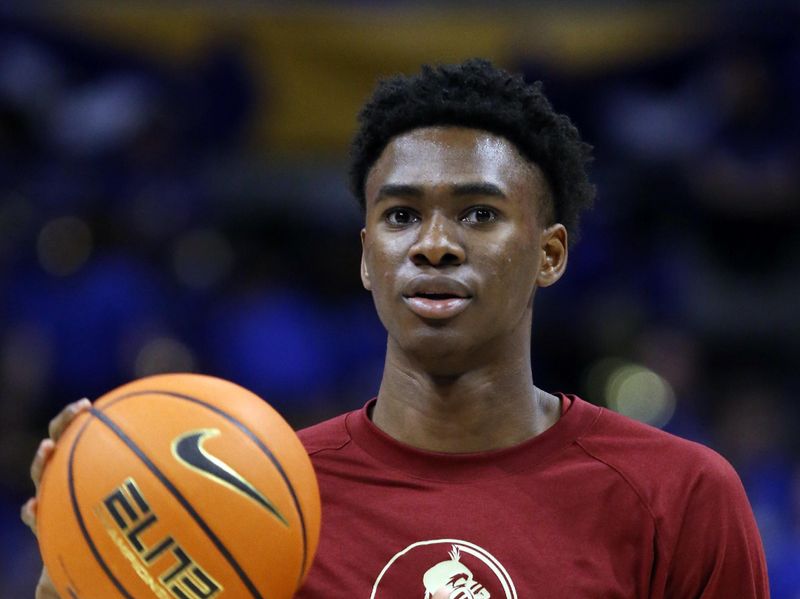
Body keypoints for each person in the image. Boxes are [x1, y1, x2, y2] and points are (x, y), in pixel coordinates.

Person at [23, 59, 768, 598]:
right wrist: (78, 575)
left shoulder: (680, 495)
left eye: (479, 213)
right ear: (366, 258)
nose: (433, 243)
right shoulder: (250, 499)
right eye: (401, 215)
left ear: (550, 254)